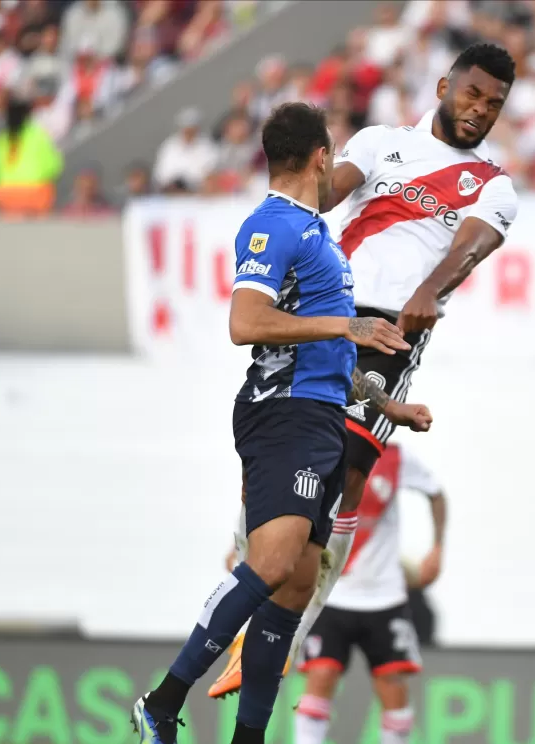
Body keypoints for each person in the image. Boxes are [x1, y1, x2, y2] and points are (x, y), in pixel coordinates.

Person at [130, 101, 431, 744]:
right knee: (268, 564)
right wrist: (350, 325)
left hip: (324, 418)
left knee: (296, 584)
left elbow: (326, 344)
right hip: (282, 415)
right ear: (323, 157)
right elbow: (246, 322)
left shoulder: (318, 237)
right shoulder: (271, 225)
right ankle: (162, 702)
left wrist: (389, 407)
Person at [209, 42, 518, 699]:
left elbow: (472, 245)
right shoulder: (381, 144)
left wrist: (429, 292)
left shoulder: (493, 185)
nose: (480, 110)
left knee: (346, 470)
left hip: (391, 336)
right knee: (279, 458)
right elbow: (318, 198)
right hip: (329, 309)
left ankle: (289, 634)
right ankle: (243, 576)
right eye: (472, 94)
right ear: (443, 85)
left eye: (494, 103)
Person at [292, 441, 445, 744]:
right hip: (331, 595)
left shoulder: (395, 456)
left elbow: (437, 493)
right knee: (320, 678)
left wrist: (438, 547)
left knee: (394, 690)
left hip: (385, 597)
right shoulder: (324, 446)